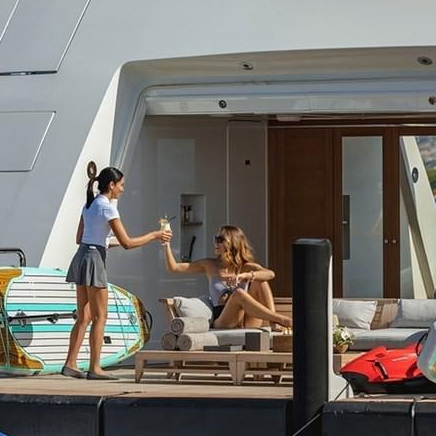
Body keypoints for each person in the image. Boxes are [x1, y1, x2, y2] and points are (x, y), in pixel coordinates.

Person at [61, 163, 172, 380]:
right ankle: (95, 368)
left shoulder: (90, 205)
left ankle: (70, 364)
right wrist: (154, 236)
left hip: (82, 256)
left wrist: (108, 243)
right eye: (121, 185)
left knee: (83, 317)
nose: (122, 189)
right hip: (95, 261)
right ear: (111, 185)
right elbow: (129, 243)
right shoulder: (109, 208)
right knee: (100, 317)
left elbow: (81, 239)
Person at [161, 224, 291, 330]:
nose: (216, 243)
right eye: (215, 239)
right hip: (223, 319)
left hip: (246, 318)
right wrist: (166, 245)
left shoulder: (245, 267)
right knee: (239, 293)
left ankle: (274, 322)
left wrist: (245, 275)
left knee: (260, 281)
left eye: (220, 240)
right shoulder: (210, 265)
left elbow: (270, 274)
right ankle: (280, 319)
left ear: (231, 243)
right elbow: (174, 268)